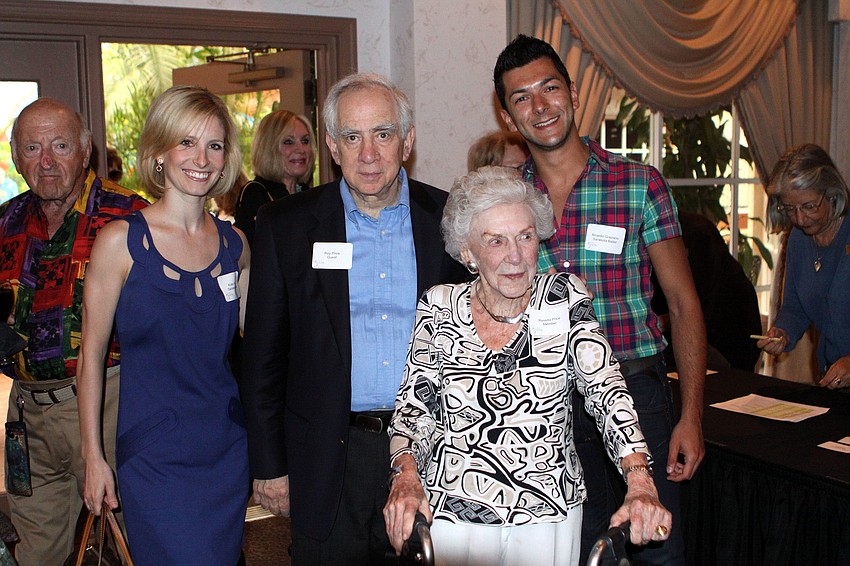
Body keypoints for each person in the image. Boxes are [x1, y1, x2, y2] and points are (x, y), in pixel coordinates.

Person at [383, 167, 672, 566]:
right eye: (496, 241)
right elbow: (414, 409)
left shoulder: (564, 298)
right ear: (468, 252)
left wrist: (639, 479)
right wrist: (406, 478)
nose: (515, 255)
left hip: (547, 516)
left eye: (525, 236)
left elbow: (607, 392)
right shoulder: (439, 305)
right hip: (451, 514)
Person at [239, 72, 469, 565]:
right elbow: (262, 358)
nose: (368, 153)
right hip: (326, 457)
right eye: (352, 136)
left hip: (430, 456)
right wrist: (269, 466)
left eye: (383, 134)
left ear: (406, 142)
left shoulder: (448, 220)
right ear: (332, 146)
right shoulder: (286, 226)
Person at [493, 35, 706, 565]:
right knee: (574, 552)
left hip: (639, 395)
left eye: (550, 89)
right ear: (507, 116)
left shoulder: (639, 185)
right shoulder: (502, 202)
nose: (540, 106)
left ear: (573, 94)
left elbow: (682, 303)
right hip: (546, 407)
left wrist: (693, 417)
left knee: (658, 550)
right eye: (522, 98)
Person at [78, 85, 251, 565]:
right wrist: (93, 458)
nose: (202, 158)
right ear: (158, 153)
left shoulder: (237, 247)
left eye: (214, 145)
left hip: (225, 448)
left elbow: (258, 348)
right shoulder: (119, 243)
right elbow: (89, 358)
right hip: (155, 455)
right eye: (186, 143)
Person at [0, 98, 147, 565]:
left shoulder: (131, 219)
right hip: (27, 413)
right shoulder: (4, 223)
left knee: (128, 546)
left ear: (86, 152)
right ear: (15, 156)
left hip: (112, 404)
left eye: (60, 145)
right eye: (32, 147)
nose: (46, 162)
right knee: (34, 553)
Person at [758, 143, 850, 390]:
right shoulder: (798, 238)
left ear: (832, 194)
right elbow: (795, 307)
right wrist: (783, 332)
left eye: (809, 207)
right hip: (833, 380)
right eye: (790, 209)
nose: (799, 219)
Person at [652, 211, 763, 371]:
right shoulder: (659, 232)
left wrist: (654, 322)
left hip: (727, 331)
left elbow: (692, 306)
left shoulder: (698, 236)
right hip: (696, 327)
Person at [234, 109, 316, 245]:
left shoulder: (308, 193)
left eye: (305, 141)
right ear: (268, 147)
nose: (301, 149)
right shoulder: (255, 193)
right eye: (289, 142)